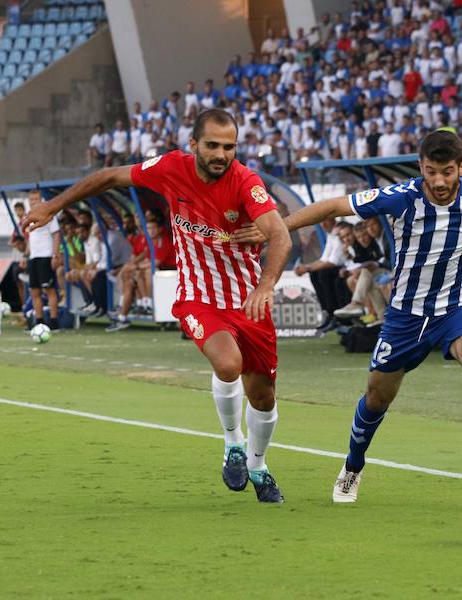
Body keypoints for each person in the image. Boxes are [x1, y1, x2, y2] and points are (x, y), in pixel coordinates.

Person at [234, 130, 462, 503]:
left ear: (461, 167)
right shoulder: (401, 197)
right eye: (430, 171)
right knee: (377, 398)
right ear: (421, 168)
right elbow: (331, 207)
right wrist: (273, 229)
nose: (439, 181)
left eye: (446, 172)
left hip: (458, 309)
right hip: (405, 317)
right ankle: (352, 466)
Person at [24, 108, 293, 502]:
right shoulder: (170, 168)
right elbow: (110, 176)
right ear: (194, 145)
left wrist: (265, 285)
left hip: (248, 300)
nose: (222, 154)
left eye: (230, 146)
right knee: (228, 364)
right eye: (213, 145)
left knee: (264, 397)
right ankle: (233, 443)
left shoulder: (245, 181)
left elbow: (280, 236)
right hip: (199, 297)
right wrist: (53, 206)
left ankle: (257, 464)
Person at [25, 189, 62, 331]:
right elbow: (30, 237)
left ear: (41, 200)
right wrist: (25, 256)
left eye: (36, 199)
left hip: (46, 256)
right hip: (33, 257)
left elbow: (56, 234)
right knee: (34, 291)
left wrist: (55, 254)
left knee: (49, 290)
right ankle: (39, 321)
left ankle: (54, 322)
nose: (33, 201)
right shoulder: (30, 216)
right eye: (31, 199)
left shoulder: (49, 215)